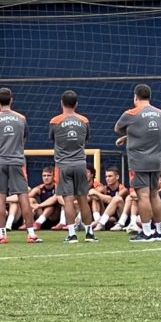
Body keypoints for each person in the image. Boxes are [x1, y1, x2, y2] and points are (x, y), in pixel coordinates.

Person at [0, 87, 42, 244]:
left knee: (0, 197)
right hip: (17, 161)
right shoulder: (21, 118)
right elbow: (24, 139)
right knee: (23, 196)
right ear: (11, 100)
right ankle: (31, 234)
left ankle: (2, 235)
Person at [114, 84, 161, 243]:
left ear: (135, 96)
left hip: (139, 161)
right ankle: (160, 232)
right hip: (156, 160)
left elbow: (117, 128)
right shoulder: (160, 113)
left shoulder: (131, 113)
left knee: (142, 196)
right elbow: (153, 133)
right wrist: (131, 136)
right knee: (154, 194)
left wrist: (129, 134)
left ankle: (147, 232)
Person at [49, 90, 97, 243]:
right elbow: (86, 138)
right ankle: (89, 233)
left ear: (61, 103)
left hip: (63, 165)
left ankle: (71, 234)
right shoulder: (84, 120)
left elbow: (52, 138)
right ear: (76, 104)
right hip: (80, 164)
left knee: (68, 200)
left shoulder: (55, 121)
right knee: (83, 199)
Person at [91, 166, 128, 231]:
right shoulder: (104, 188)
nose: (107, 178)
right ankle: (98, 221)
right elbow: (91, 194)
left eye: (110, 176)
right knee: (95, 198)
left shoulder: (123, 189)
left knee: (117, 199)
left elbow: (112, 200)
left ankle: (98, 224)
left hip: (119, 216)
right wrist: (96, 194)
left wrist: (97, 193)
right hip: (107, 217)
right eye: (106, 176)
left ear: (117, 177)